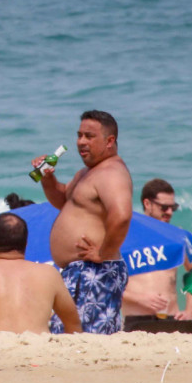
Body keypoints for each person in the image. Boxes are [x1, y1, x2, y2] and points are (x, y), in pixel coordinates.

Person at [34, 110, 133, 335]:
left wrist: (103, 252)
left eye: (89, 136)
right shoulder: (86, 173)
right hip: (79, 271)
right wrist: (48, 179)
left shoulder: (111, 173)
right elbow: (63, 200)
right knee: (67, 336)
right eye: (79, 135)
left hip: (95, 270)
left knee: (85, 339)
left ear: (110, 141)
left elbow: (123, 215)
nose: (81, 142)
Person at [121, 179, 192, 332]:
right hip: (137, 320)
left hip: (171, 317)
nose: (169, 212)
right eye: (164, 207)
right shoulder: (126, 236)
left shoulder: (177, 237)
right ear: (147, 204)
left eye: (173, 207)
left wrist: (190, 310)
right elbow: (107, 283)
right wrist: (141, 299)